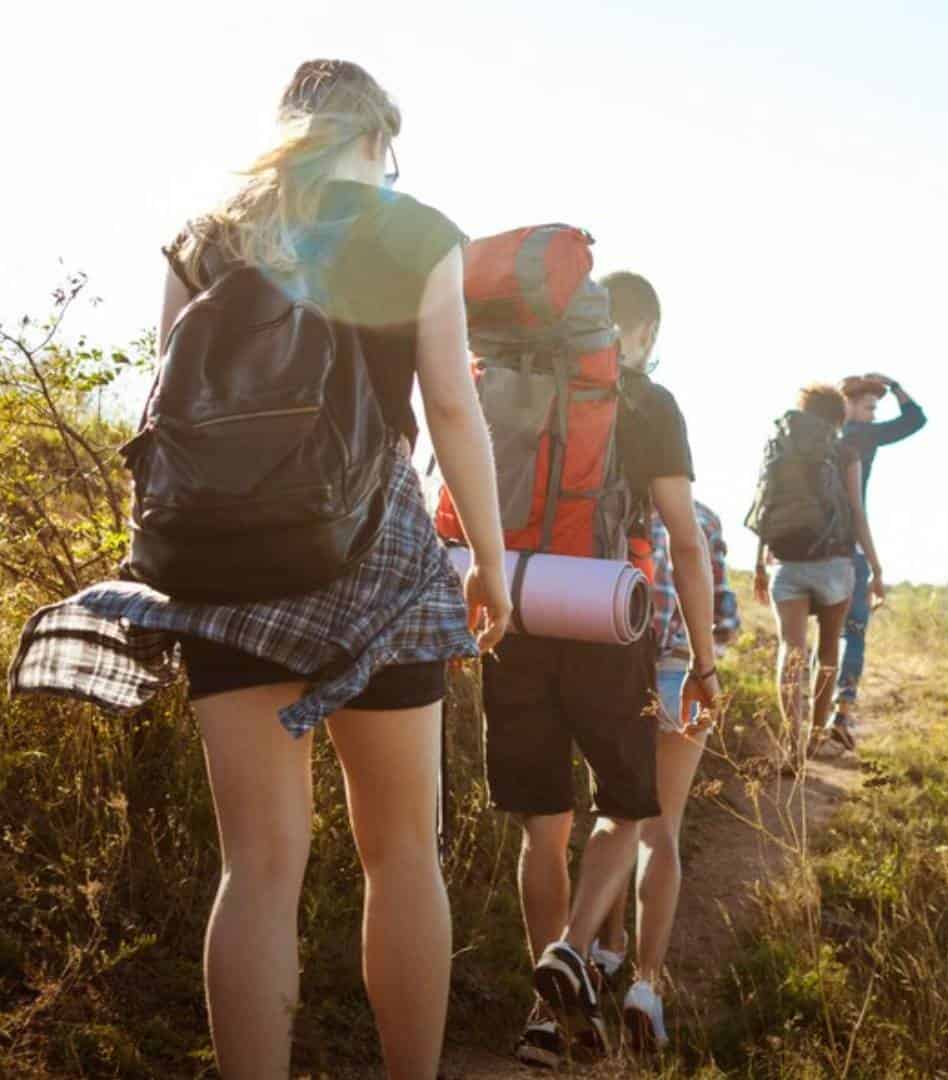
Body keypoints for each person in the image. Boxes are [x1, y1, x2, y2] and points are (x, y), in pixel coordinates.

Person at [8, 59, 510, 1080]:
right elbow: (454, 413)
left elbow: (170, 417)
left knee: (258, 868)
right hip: (382, 563)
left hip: (225, 571)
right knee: (402, 854)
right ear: (382, 138)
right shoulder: (414, 234)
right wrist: (491, 566)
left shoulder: (205, 235)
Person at [490, 268, 721, 1066]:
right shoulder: (649, 402)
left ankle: (545, 1018)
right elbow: (685, 541)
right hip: (607, 617)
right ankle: (573, 948)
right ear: (645, 334)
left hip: (518, 611)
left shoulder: (520, 381)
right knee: (628, 807)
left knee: (543, 826)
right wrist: (704, 659)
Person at [588, 499, 739, 1049]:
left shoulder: (607, 507)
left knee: (614, 815)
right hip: (682, 668)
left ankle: (606, 950)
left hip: (611, 672)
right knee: (662, 829)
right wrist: (707, 665)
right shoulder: (700, 517)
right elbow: (725, 614)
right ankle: (646, 988)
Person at [750, 385, 884, 771]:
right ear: (838, 416)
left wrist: (759, 562)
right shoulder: (845, 452)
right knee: (828, 650)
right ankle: (814, 737)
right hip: (834, 565)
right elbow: (857, 512)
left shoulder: (780, 446)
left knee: (789, 651)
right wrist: (875, 566)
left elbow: (764, 504)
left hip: (787, 562)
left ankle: (790, 747)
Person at [827, 373, 926, 751]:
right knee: (853, 631)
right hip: (848, 550)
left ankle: (807, 719)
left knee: (814, 637)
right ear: (848, 405)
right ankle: (842, 711)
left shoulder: (819, 437)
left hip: (809, 549)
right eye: (868, 407)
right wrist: (897, 385)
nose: (871, 415)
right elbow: (915, 421)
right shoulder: (860, 436)